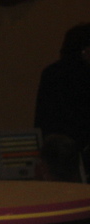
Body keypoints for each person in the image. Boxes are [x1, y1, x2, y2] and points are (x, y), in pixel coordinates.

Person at [35, 22, 90, 181]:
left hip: (55, 158)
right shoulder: (80, 77)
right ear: (84, 51)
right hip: (74, 157)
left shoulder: (52, 74)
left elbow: (42, 120)